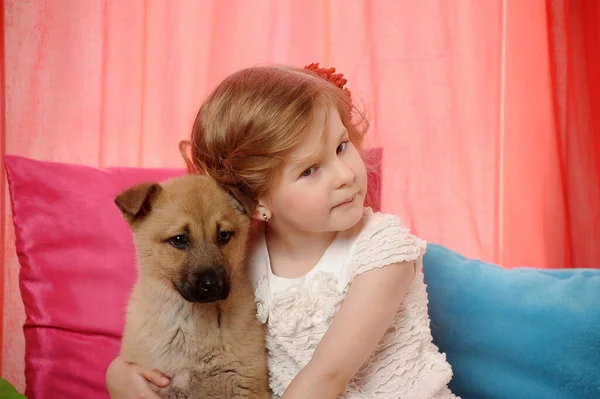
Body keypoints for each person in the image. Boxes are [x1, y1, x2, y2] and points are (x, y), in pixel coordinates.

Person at [106, 63, 458, 398]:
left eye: (341, 146)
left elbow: (327, 377)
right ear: (254, 202)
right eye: (310, 170)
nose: (345, 175)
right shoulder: (244, 247)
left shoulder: (384, 253)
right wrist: (118, 374)